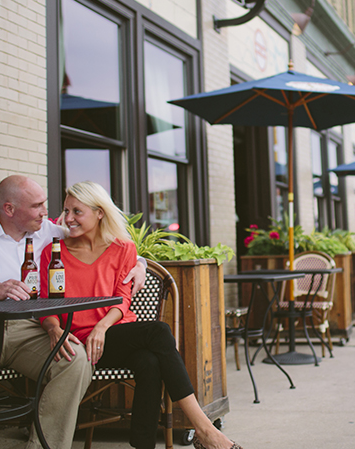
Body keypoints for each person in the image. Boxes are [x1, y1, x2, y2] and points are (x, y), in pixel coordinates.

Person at [0, 175, 147, 449]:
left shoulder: (50, 231)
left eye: (44, 204)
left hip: (32, 330)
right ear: (9, 209)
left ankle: (43, 446)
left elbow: (103, 241)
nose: (47, 212)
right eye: (37, 206)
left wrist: (140, 264)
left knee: (75, 362)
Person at [39, 181, 241, 449]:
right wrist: (54, 328)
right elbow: (44, 302)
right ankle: (204, 429)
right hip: (76, 342)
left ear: (100, 212)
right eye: (66, 211)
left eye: (77, 211)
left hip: (113, 335)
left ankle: (151, 444)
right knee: (155, 341)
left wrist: (101, 327)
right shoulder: (53, 253)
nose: (68, 218)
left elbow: (123, 300)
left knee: (150, 356)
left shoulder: (123, 249)